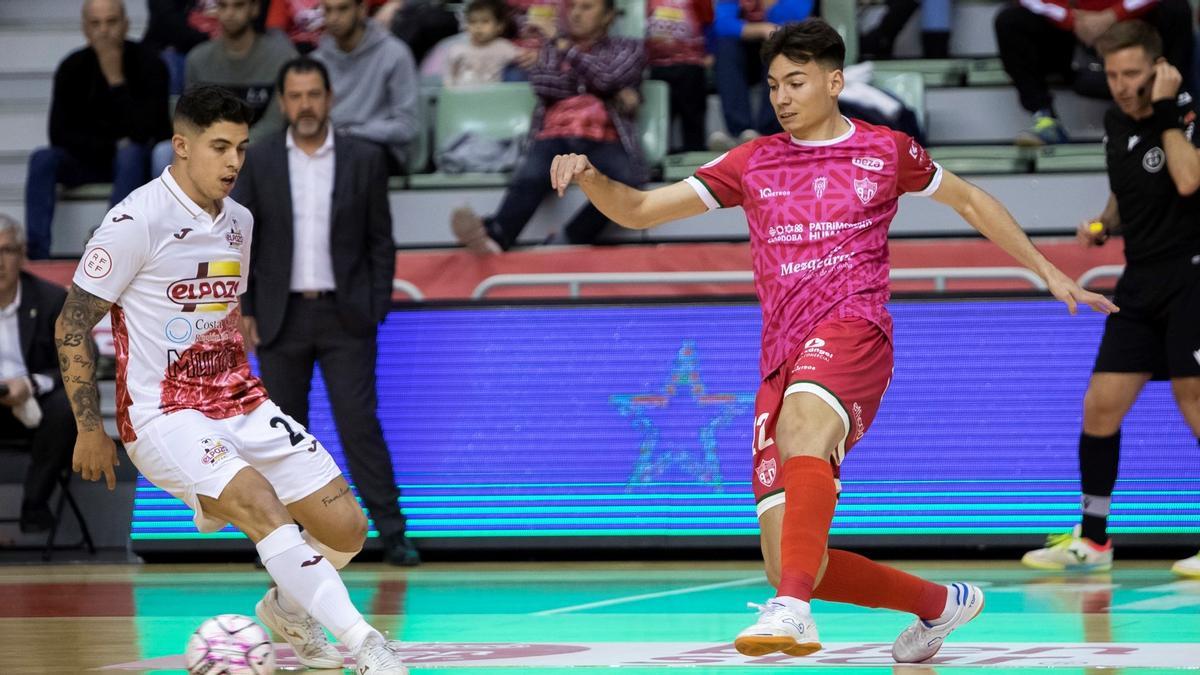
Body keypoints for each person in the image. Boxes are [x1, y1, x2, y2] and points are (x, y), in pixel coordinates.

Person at [548, 18, 1118, 660]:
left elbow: (969, 201)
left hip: (854, 330)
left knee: (802, 436)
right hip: (781, 355)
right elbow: (641, 210)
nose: (782, 97)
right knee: (793, 557)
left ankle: (794, 612)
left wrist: (1046, 269)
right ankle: (938, 604)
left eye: (796, 82)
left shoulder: (885, 150)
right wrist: (593, 178)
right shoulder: (753, 161)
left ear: (835, 80)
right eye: (772, 85)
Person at [54, 85, 409, 674]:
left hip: (241, 401)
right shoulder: (134, 220)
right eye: (219, 147)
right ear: (182, 147)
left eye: (242, 148)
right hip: (163, 414)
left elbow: (221, 319)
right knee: (262, 505)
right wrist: (89, 427)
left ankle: (286, 610)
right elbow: (70, 326)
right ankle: (367, 643)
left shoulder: (239, 221)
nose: (234, 162)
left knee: (347, 528)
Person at [1021, 20, 1200, 579]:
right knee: (1100, 407)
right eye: (1114, 74)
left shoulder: (1188, 116)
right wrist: (1104, 222)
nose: (1121, 85)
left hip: (1193, 276)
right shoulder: (1117, 119)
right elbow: (1128, 187)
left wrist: (1168, 111)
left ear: (1160, 69)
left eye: (1132, 74)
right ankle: (1094, 540)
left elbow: (1189, 180)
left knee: (1195, 403)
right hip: (1140, 281)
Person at [234, 57, 420, 567]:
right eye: (295, 96)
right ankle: (279, 540)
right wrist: (245, 307)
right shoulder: (263, 158)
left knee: (359, 423)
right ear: (282, 101)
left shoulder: (363, 157)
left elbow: (381, 240)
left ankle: (391, 530)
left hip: (346, 316)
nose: (306, 105)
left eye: (314, 94)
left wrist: (375, 304)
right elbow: (244, 241)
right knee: (282, 433)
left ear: (330, 97)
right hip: (279, 315)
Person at [450, 0, 646, 252]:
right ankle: (495, 237)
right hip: (556, 134)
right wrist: (603, 87)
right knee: (530, 174)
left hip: (605, 136)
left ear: (608, 16)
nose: (575, 13)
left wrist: (566, 49)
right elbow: (544, 84)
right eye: (573, 6)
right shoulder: (549, 48)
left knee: (627, 180)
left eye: (587, 7)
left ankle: (569, 241)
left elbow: (608, 77)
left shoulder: (628, 47)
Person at [24, 0, 171, 260]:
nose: (104, 31)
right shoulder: (72, 67)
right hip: (87, 160)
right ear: (85, 29)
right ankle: (37, 255)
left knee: (131, 153)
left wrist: (116, 81)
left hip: (134, 164)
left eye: (111, 22)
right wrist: (110, 144)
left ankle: (115, 245)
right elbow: (59, 134)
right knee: (42, 158)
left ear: (125, 25)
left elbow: (152, 129)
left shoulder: (150, 63)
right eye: (96, 24)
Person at [994, 0, 1194, 146]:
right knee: (1009, 20)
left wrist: (1114, 15)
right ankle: (1045, 117)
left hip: (1135, 28)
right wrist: (1071, 19)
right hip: (1070, 33)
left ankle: (1169, 109)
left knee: (1176, 8)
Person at [151, 0, 300, 176]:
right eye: (223, 6)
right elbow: (191, 116)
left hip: (260, 145)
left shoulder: (281, 58)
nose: (229, 13)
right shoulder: (198, 59)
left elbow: (274, 122)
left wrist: (231, 145)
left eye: (238, 6)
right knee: (163, 152)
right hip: (210, 144)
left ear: (254, 9)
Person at [0, 215, 76, 534]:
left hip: (38, 405)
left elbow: (79, 360)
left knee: (68, 404)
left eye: (6, 251)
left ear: (22, 254)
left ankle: (35, 503)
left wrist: (29, 385)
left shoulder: (49, 299)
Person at [314, 0, 420, 173]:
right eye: (328, 10)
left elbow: (407, 127)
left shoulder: (395, 54)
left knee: (354, 157)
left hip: (381, 150)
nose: (333, 18)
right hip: (331, 149)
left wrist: (351, 133)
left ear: (362, 9)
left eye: (343, 9)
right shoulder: (316, 62)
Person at [646, 0, 712, 153]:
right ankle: (659, 157)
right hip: (656, 66)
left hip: (690, 63)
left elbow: (708, 22)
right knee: (661, 118)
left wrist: (711, 52)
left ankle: (695, 156)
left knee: (692, 115)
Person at [444, 0, 520, 88]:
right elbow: (449, 76)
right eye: (472, 22)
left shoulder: (504, 47)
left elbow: (522, 59)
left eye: (485, 21)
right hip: (464, 96)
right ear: (465, 25)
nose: (478, 27)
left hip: (492, 97)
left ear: (499, 26)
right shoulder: (457, 50)